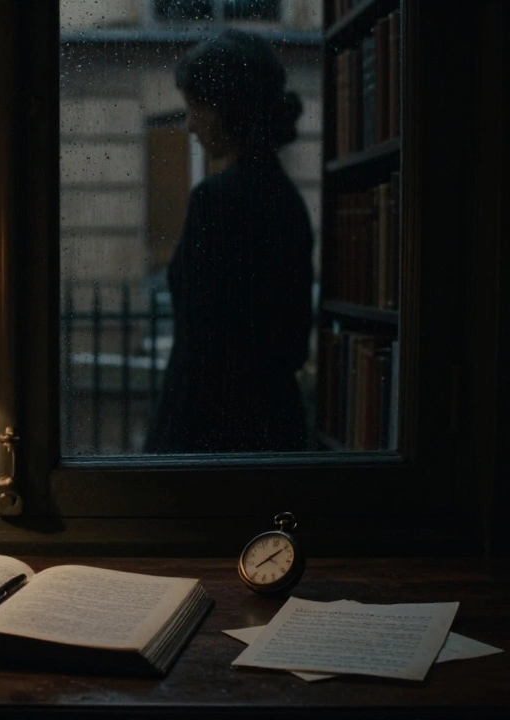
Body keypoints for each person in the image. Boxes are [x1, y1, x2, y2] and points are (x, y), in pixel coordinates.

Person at [144, 30, 313, 454]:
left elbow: (200, 352)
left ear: (225, 108)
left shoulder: (218, 200)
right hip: (272, 428)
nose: (190, 124)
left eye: (195, 107)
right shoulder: (287, 199)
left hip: (214, 435)